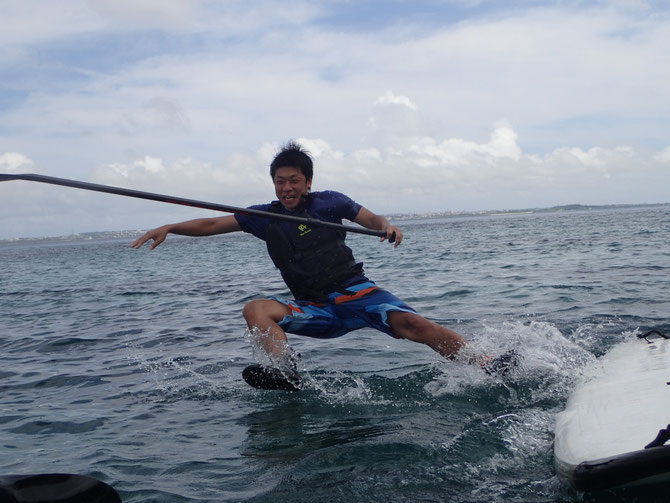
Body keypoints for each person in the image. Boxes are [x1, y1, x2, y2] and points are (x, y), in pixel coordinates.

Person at [131, 141, 514, 391]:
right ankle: (285, 373)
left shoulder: (330, 203)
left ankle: (486, 363)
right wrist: (171, 227)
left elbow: (369, 218)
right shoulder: (263, 216)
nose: (286, 188)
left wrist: (386, 227)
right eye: (280, 182)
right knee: (256, 309)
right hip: (314, 308)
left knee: (415, 324)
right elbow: (214, 224)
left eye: (294, 181)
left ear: (307, 181)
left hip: (358, 294)